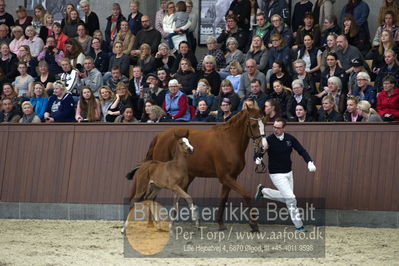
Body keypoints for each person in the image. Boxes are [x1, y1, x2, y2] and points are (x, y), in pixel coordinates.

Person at [254, 117, 317, 232]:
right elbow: (259, 152)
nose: (275, 130)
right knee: (291, 198)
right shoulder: (269, 140)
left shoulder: (289, 138)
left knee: (287, 198)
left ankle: (264, 191)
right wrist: (257, 158)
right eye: (274, 127)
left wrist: (309, 162)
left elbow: (301, 150)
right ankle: (299, 226)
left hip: (288, 172)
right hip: (276, 174)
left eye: (278, 128)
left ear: (283, 128)